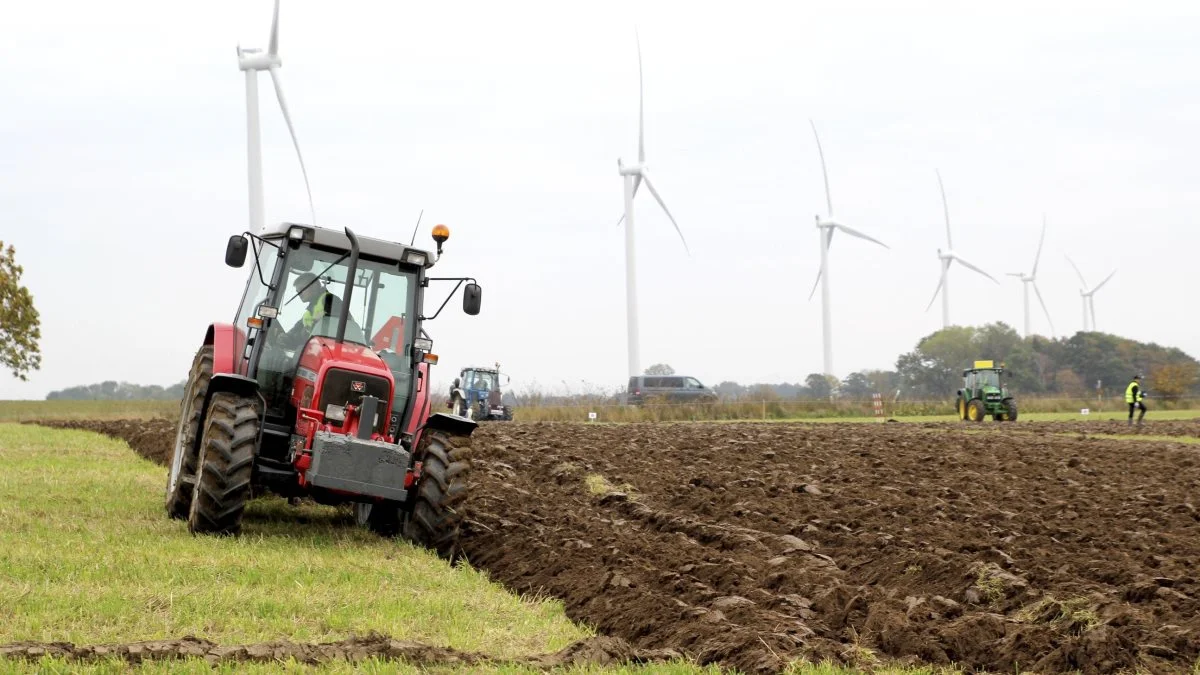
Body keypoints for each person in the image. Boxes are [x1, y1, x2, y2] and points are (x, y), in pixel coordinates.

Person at [278, 272, 342, 348]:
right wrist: (283, 338)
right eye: (298, 292)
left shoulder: (330, 300)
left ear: (314, 286)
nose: (299, 294)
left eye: (302, 290)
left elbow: (332, 330)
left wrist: (303, 333)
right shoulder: (308, 313)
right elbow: (295, 332)